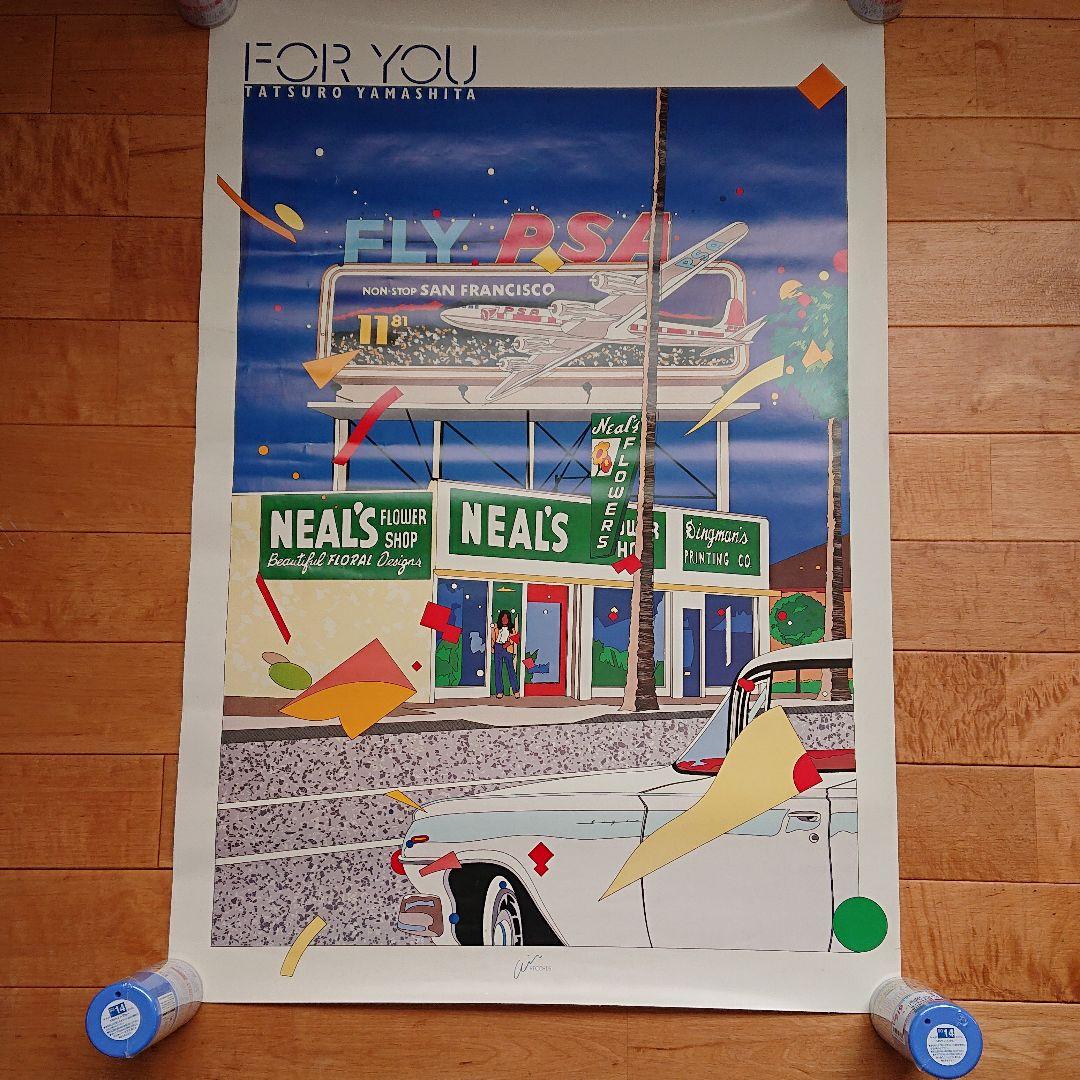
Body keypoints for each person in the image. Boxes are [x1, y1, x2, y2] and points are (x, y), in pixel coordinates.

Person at [490, 609, 521, 699]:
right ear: (500, 618)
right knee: (498, 670)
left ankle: (516, 691)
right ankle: (499, 691)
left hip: (507, 649)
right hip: (498, 647)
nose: (504, 620)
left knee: (511, 670)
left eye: (506, 618)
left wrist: (509, 643)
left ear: (509, 619)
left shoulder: (512, 629)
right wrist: (493, 647)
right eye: (503, 618)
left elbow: (515, 638)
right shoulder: (496, 627)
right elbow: (492, 637)